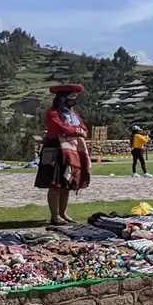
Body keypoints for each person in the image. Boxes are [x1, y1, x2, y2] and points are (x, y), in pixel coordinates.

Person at [34, 84, 91, 225]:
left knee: (66, 183)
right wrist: (76, 131)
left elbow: (83, 128)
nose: (74, 100)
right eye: (72, 97)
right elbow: (59, 127)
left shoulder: (74, 114)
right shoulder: (52, 113)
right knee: (56, 184)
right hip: (55, 150)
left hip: (71, 152)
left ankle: (63, 213)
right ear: (62, 98)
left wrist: (77, 130)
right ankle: (55, 216)